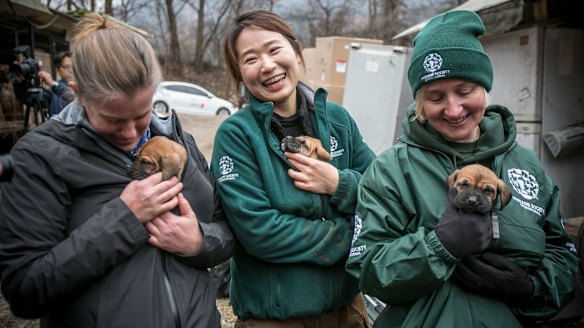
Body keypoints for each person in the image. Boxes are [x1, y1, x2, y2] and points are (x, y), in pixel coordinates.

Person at [345, 10, 579, 327]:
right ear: (420, 105)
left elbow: (563, 254)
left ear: (484, 89)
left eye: (465, 91)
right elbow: (368, 270)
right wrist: (438, 247)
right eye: (436, 96)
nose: (453, 109)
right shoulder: (392, 170)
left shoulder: (526, 165)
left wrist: (530, 287)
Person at [0, 13, 233, 327]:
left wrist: (199, 242)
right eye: (112, 119)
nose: (130, 133)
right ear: (77, 92)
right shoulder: (39, 157)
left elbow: (226, 229)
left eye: (141, 115)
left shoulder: (181, 142)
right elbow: (25, 291)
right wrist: (125, 217)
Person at [212, 9, 376, 327]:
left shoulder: (338, 120)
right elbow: (261, 232)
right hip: (275, 318)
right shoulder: (236, 136)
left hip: (347, 310)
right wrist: (348, 236)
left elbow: (382, 192)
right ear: (239, 74)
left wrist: (339, 184)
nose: (268, 65)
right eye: (250, 59)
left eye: (274, 49)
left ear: (296, 52)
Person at [38, 51, 75, 116]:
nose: (71, 70)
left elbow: (72, 96)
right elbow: (32, 101)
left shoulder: (83, 86)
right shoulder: (52, 90)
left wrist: (53, 84)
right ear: (58, 70)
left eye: (73, 66)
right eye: (67, 67)